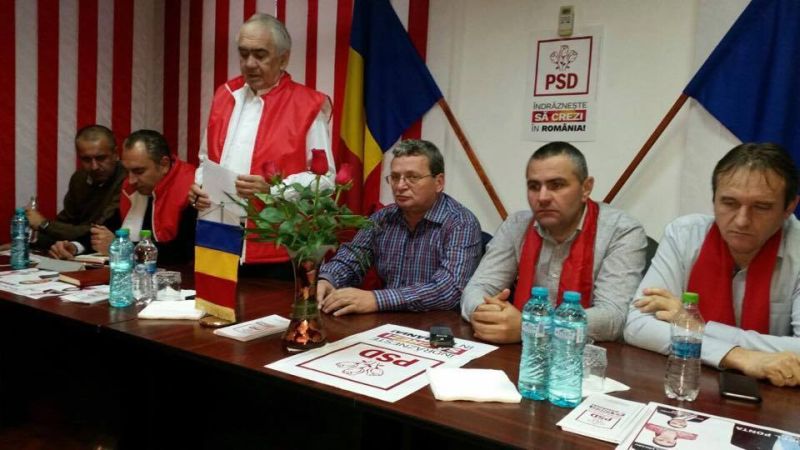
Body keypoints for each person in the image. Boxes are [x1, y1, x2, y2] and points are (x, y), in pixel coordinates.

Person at [625, 143, 800, 387]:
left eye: (761, 207)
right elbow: (637, 325)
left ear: (789, 207)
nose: (741, 221)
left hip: (778, 392)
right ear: (714, 200)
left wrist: (698, 327)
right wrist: (738, 356)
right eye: (729, 203)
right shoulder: (684, 235)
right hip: (692, 381)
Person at [461, 142, 647, 344]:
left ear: (586, 188)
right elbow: (478, 288)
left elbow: (613, 317)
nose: (542, 197)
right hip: (523, 353)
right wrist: (484, 312)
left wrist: (530, 326)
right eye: (534, 187)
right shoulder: (516, 225)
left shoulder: (621, 230)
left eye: (556, 185)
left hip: (584, 355)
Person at [188, 13, 334, 265]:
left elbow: (325, 180)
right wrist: (200, 187)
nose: (249, 63)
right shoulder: (224, 96)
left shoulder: (307, 105)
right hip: (218, 234)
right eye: (243, 54)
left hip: (276, 245)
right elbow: (206, 160)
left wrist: (273, 190)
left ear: (283, 58)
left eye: (260, 55)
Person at [316, 139, 482, 316]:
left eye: (412, 177)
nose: (400, 186)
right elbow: (352, 257)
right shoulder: (382, 218)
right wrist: (328, 279)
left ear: (439, 182)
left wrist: (376, 299)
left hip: (436, 324)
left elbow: (449, 290)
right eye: (395, 177)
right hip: (385, 322)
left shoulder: (461, 223)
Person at [88, 130, 197, 264]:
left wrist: (122, 248)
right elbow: (110, 228)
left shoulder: (193, 189)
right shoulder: (134, 186)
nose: (131, 180)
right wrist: (75, 246)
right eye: (127, 171)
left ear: (164, 164)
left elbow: (184, 253)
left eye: (138, 171)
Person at [27, 125, 126, 259]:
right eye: (86, 159)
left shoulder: (127, 179)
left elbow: (97, 229)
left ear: (116, 154)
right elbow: (65, 221)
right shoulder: (79, 178)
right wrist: (27, 242)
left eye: (101, 158)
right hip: (79, 248)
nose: (94, 166)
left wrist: (44, 224)